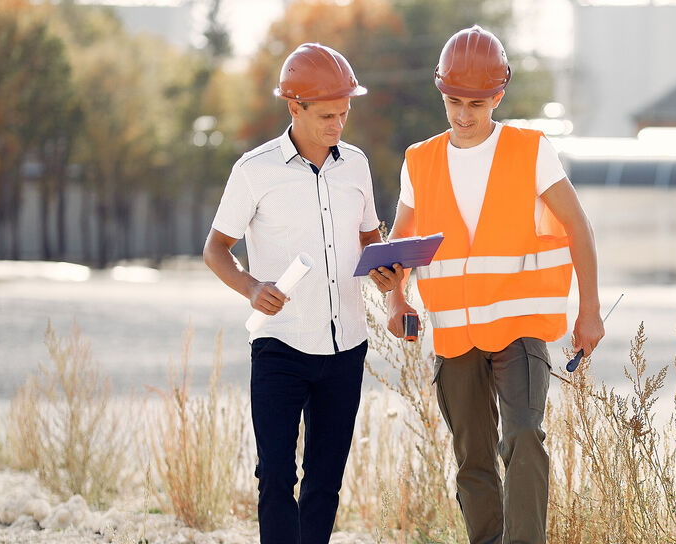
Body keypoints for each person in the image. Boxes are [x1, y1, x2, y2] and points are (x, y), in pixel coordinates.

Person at [374, 25, 604, 544]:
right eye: (453, 100)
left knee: (523, 434)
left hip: (520, 327)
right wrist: (395, 297)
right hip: (455, 335)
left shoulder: (531, 149)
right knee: (471, 458)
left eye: (476, 103)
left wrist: (589, 312)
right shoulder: (421, 160)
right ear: (441, 93)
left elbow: (578, 226)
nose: (463, 114)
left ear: (497, 96)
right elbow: (401, 243)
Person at [203, 43, 384, 544]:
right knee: (277, 476)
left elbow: (370, 238)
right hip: (280, 346)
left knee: (325, 484)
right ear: (294, 107)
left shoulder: (357, 167)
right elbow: (216, 249)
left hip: (347, 346)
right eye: (327, 115)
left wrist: (386, 269)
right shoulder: (254, 170)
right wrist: (251, 286)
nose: (337, 125)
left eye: (345, 113)